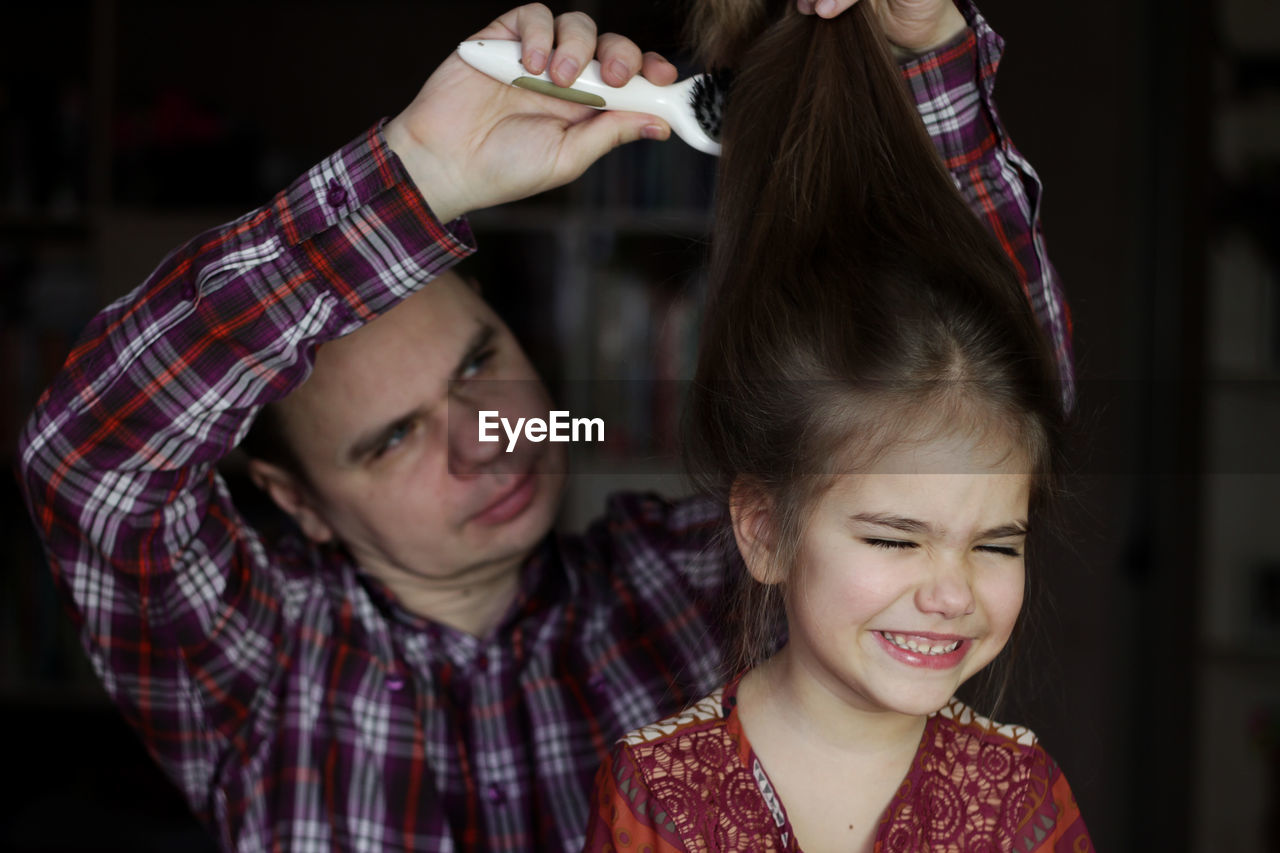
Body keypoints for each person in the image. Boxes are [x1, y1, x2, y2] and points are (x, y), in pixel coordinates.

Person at [16, 1, 1070, 851]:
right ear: (299, 502)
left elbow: (972, 420)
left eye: (480, 364)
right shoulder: (258, 662)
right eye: (391, 438)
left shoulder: (700, 575)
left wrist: (919, 46)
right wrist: (418, 176)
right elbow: (90, 456)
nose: (482, 436)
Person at [582, 3, 1092, 852]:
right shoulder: (658, 795)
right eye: (896, 539)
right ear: (764, 529)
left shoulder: (1022, 800)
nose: (952, 591)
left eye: (997, 543)